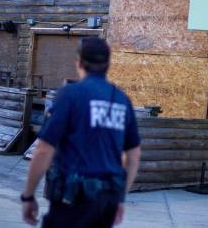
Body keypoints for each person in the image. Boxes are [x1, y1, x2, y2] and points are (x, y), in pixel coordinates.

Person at [21, 37, 141, 228]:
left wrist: (28, 196)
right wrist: (119, 199)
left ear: (79, 62)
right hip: (107, 201)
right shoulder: (122, 100)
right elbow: (133, 156)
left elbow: (44, 150)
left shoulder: (70, 95)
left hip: (73, 201)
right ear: (108, 64)